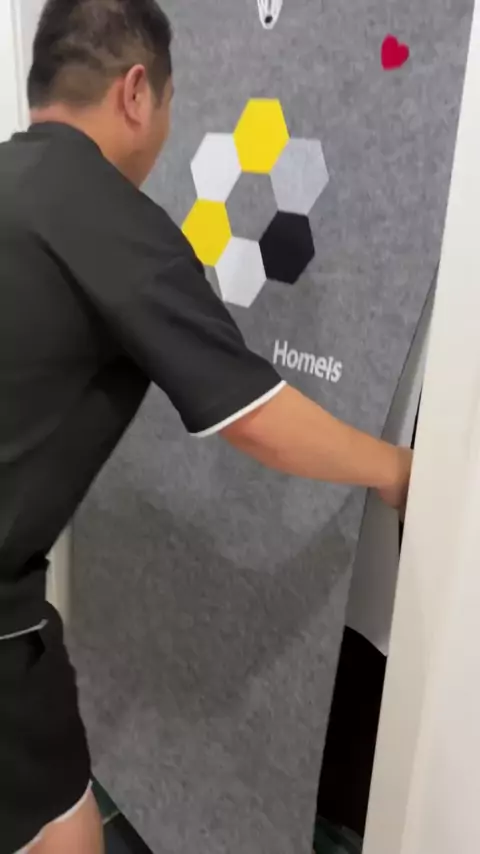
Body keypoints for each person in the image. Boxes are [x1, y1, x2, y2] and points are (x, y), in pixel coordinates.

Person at [0, 1, 412, 852]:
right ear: (136, 92)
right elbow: (255, 419)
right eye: (170, 102)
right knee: (65, 832)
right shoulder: (109, 217)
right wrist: (398, 470)